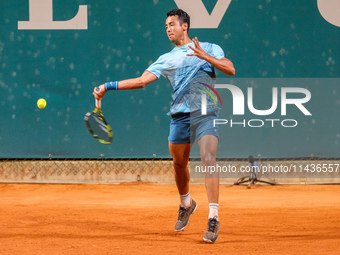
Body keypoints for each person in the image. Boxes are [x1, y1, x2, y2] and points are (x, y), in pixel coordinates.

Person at [93, 9, 235, 243]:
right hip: (180, 116)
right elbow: (141, 81)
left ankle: (213, 217)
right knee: (179, 164)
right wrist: (108, 85)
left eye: (171, 24)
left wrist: (205, 56)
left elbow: (230, 68)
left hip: (205, 112)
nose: (168, 29)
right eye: (166, 26)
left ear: (184, 26)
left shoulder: (209, 47)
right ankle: (186, 204)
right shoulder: (166, 59)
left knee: (208, 158)